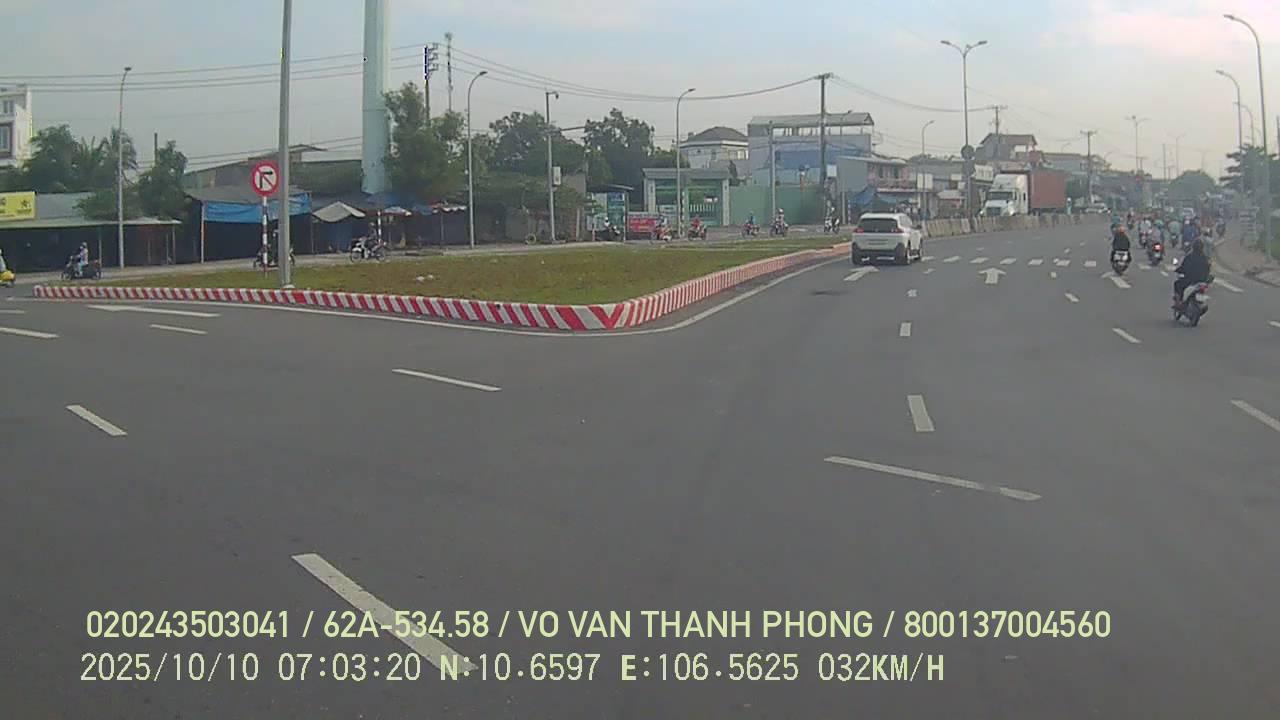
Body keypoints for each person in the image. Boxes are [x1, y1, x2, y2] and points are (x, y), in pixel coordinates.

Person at [1173, 239, 1211, 307]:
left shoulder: (1189, 257)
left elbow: (1183, 267)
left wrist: (1178, 270)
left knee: (1177, 284)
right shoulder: (1204, 258)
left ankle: (1178, 302)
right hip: (1201, 281)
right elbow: (1208, 269)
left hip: (1190, 280)